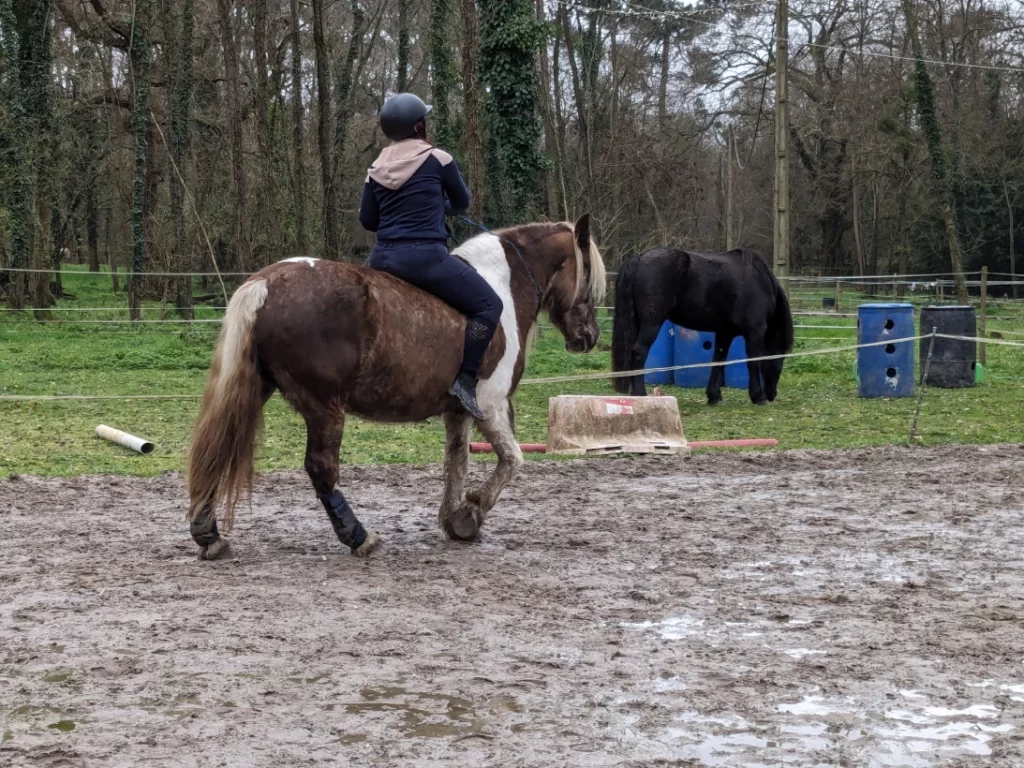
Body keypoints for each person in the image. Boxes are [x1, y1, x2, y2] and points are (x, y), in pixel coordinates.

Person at [359, 92, 502, 421]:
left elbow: (368, 220)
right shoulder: (439, 159)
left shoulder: (376, 169)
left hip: (382, 260)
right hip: (425, 259)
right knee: (488, 306)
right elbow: (461, 202)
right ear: (419, 125)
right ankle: (465, 381)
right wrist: (437, 208)